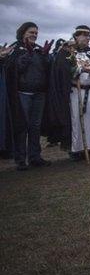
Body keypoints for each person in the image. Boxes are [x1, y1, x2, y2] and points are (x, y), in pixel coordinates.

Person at [48, 25, 90, 161]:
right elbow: (61, 72)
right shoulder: (67, 52)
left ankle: (89, 148)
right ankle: (76, 149)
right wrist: (78, 71)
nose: (87, 39)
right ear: (76, 36)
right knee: (76, 120)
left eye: (89, 36)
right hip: (74, 92)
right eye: (85, 36)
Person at [4, 23, 52, 170]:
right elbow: (16, 69)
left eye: (36, 33)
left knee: (35, 127)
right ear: (23, 33)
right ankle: (20, 159)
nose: (34, 35)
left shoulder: (38, 49)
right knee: (22, 126)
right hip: (22, 93)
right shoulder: (15, 49)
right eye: (31, 32)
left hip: (39, 93)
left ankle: (35, 157)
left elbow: (47, 69)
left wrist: (45, 56)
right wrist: (27, 55)